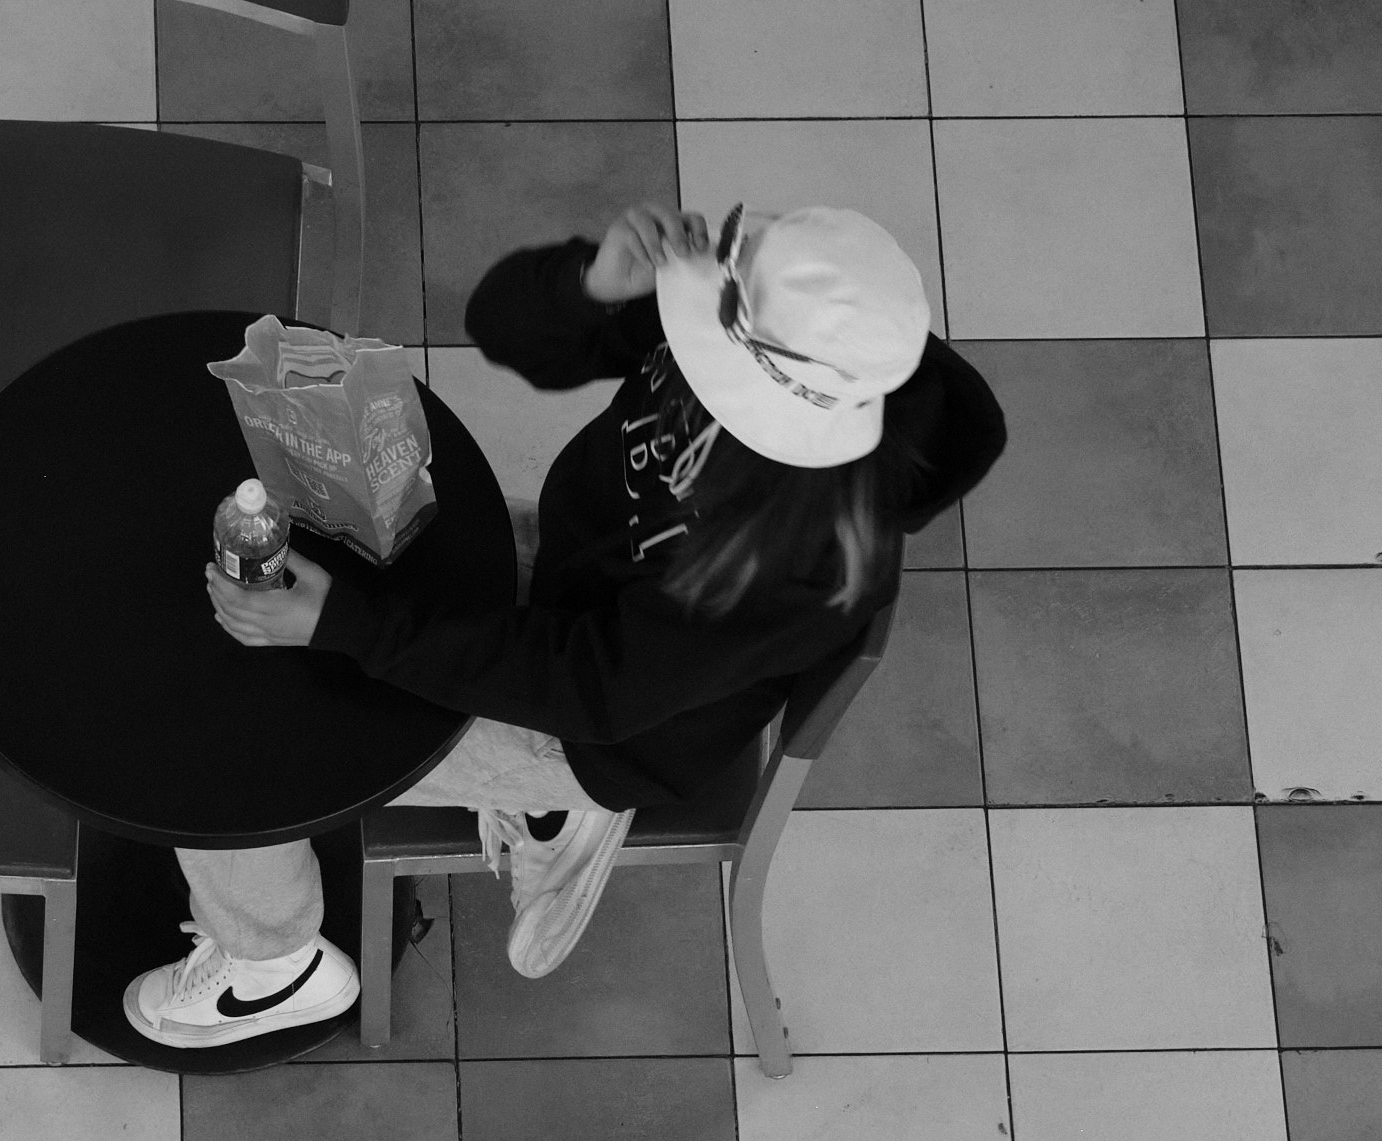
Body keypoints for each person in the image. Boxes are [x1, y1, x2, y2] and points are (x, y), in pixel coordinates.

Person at [123, 200, 1008, 1048]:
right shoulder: (772, 327)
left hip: (607, 726)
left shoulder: (804, 563)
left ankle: (272, 966)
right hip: (571, 589)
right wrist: (590, 282)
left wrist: (348, 626)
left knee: (239, 736)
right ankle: (536, 811)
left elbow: (593, 688)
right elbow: (507, 331)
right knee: (310, 584)